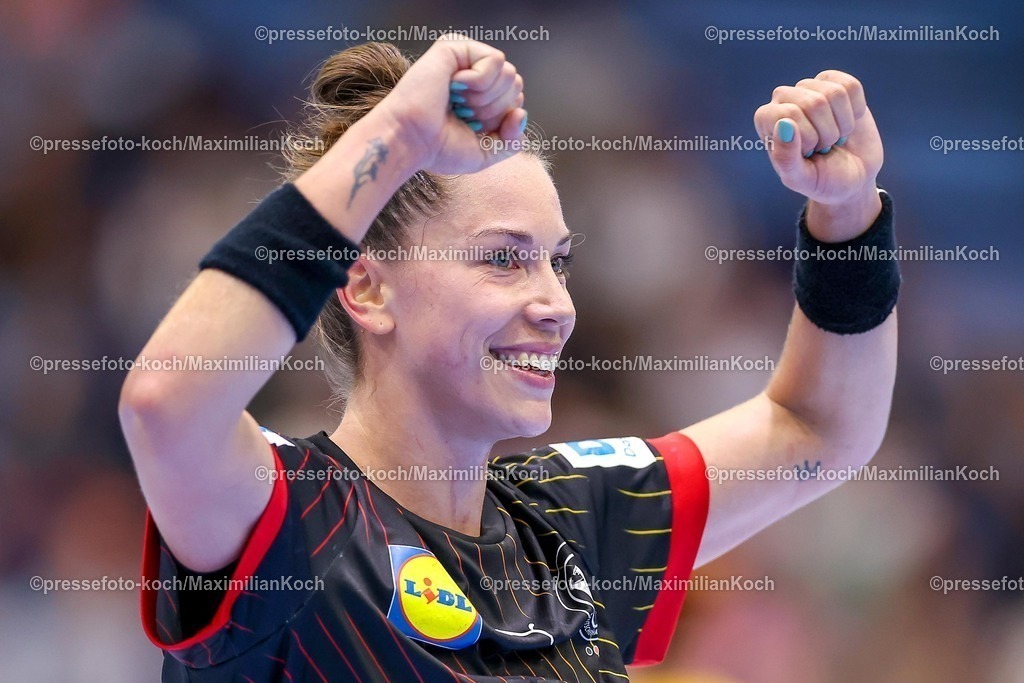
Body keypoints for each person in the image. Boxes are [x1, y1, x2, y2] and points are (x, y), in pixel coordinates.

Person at [119, 35, 899, 682]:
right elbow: (165, 402)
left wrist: (848, 213)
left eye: (557, 261)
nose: (556, 304)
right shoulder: (290, 522)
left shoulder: (571, 525)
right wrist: (395, 140)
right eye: (503, 258)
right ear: (365, 285)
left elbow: (817, 426)